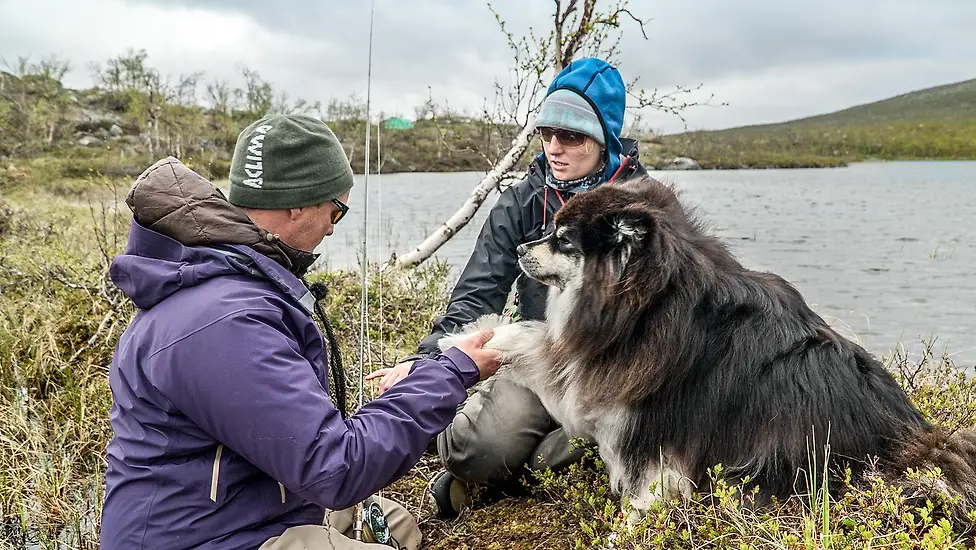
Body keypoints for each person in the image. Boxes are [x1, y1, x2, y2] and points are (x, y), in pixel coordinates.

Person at [99, 114, 503, 550]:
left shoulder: (231, 284)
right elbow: (337, 469)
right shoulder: (225, 324)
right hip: (206, 539)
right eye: (336, 210)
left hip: (241, 507)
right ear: (297, 205)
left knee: (394, 523)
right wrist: (452, 371)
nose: (332, 227)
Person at [366, 57, 649, 516]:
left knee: (628, 436)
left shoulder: (641, 210)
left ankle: (534, 466)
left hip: (615, 375)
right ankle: (510, 456)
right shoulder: (522, 198)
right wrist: (426, 364)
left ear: (604, 140)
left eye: (572, 136)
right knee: (476, 451)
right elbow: (478, 292)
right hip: (543, 360)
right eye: (546, 133)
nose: (554, 148)